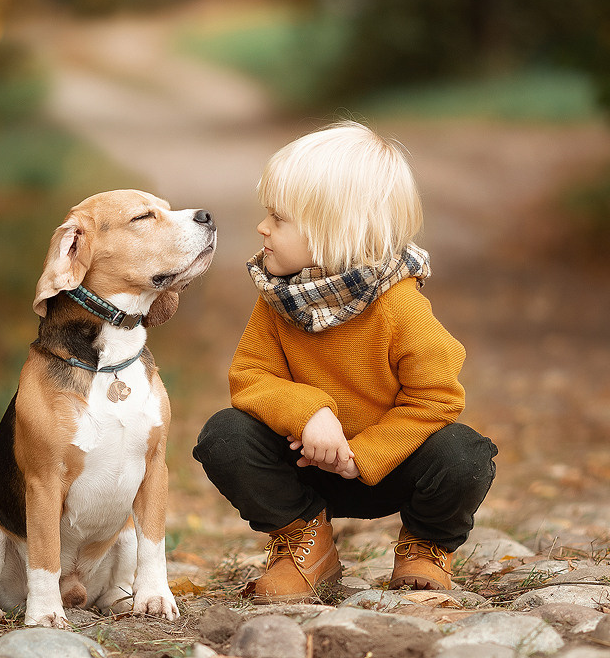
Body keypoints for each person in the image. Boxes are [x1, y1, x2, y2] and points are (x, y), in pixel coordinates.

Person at [193, 121, 497, 603]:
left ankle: (425, 546)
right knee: (224, 435)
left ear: (333, 232)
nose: (262, 227)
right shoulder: (279, 298)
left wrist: (365, 455)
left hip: (388, 467)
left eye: (278, 218)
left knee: (464, 456)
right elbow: (251, 376)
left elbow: (437, 396)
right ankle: (305, 541)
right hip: (303, 462)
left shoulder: (399, 306)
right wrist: (312, 412)